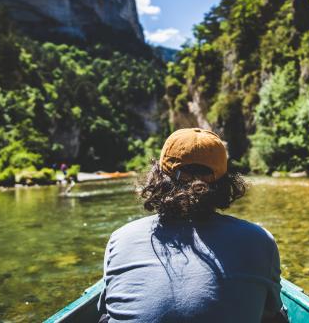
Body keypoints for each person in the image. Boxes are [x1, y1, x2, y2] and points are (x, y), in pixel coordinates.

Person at [98, 128, 287, 322]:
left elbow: (107, 308)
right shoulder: (259, 240)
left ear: (157, 177)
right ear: (226, 183)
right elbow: (270, 310)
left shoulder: (121, 239)